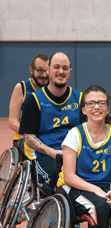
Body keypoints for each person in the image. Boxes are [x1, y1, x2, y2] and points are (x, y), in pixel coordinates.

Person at [61, 85, 111, 227]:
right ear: (84, 110)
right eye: (91, 103)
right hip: (81, 189)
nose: (97, 107)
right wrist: (95, 189)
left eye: (101, 103)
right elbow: (69, 176)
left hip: (108, 187)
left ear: (108, 109)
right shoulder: (75, 134)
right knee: (100, 207)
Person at [19, 52, 83, 196]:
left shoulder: (79, 98)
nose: (61, 71)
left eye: (65, 68)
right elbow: (29, 137)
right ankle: (50, 210)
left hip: (73, 150)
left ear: (70, 72)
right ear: (48, 70)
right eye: (56, 67)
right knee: (55, 175)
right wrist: (53, 153)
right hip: (45, 152)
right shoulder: (34, 100)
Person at [8, 54, 49, 148]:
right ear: (31, 70)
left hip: (47, 138)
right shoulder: (21, 88)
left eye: (46, 70)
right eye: (39, 70)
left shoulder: (53, 89)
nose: (43, 75)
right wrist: (32, 135)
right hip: (23, 139)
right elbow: (12, 122)